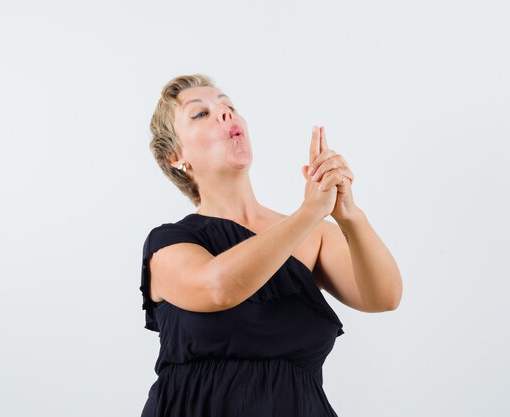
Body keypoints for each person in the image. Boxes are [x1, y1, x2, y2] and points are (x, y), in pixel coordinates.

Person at [139, 73, 403, 417]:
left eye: (228, 106)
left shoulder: (315, 233)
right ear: (176, 156)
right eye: (200, 113)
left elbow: (384, 297)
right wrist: (309, 212)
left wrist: (348, 213)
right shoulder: (168, 243)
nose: (225, 114)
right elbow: (218, 288)